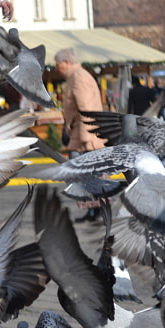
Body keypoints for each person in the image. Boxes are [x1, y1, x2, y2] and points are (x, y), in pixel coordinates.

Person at [54, 47, 105, 221]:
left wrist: (85, 138)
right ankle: (94, 210)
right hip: (82, 133)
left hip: (85, 135)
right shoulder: (78, 76)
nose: (57, 69)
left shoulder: (78, 77)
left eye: (58, 65)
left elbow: (86, 109)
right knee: (88, 174)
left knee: (83, 174)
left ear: (66, 62)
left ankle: (95, 209)